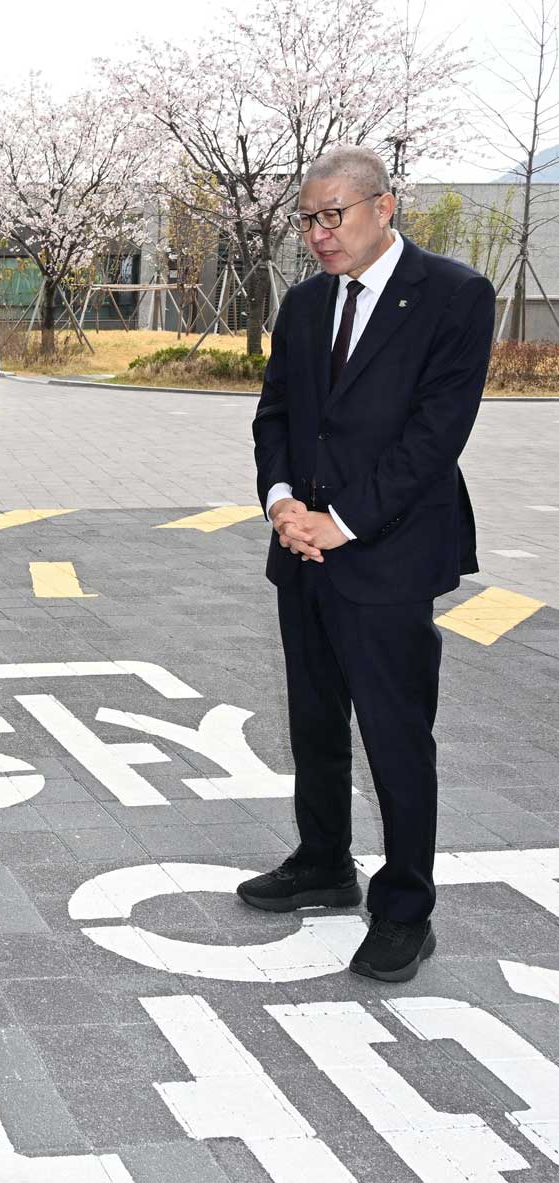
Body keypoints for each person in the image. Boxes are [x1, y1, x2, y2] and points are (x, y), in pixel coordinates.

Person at [240, 145, 494, 983]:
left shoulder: (454, 296)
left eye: (333, 215)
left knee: (394, 736)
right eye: (307, 218)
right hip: (302, 553)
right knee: (313, 721)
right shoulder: (307, 305)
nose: (318, 234)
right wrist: (282, 502)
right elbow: (275, 416)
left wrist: (340, 522)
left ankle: (405, 909)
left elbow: (434, 436)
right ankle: (323, 862)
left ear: (386, 207)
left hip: (385, 556)